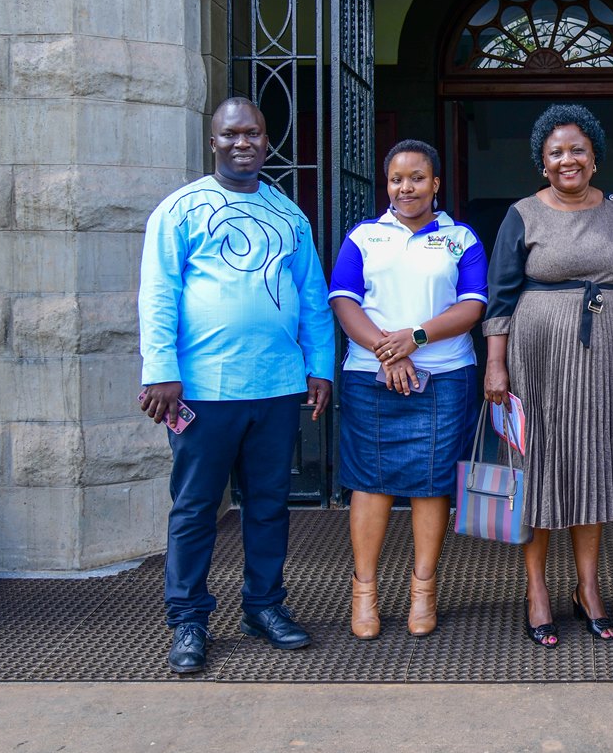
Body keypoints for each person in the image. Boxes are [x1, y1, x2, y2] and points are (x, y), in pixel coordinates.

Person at [138, 97, 335, 675]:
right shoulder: (179, 211)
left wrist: (319, 366)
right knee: (196, 508)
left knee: (269, 506)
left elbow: (314, 299)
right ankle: (189, 621)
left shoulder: (289, 215)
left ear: (266, 142)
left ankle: (264, 607)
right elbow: (158, 292)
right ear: (214, 142)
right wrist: (161, 370)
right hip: (201, 389)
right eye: (231, 135)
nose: (242, 143)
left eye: (252, 134)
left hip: (275, 387)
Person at [483, 104, 613, 648]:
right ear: (542, 161)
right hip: (536, 356)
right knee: (537, 466)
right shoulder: (523, 214)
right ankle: (536, 589)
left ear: (594, 156)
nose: (567, 160)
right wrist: (495, 362)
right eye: (556, 152)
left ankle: (587, 588)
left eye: (577, 150)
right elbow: (501, 295)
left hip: (604, 355)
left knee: (592, 463)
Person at [329, 140, 488, 639]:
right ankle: (365, 594)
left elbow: (473, 305)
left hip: (444, 375)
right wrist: (386, 351)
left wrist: (413, 339)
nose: (406, 188)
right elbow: (344, 300)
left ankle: (423, 592)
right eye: (397, 179)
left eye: (417, 178)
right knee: (369, 481)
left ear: (435, 183)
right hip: (369, 375)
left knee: (431, 483)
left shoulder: (461, 238)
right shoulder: (364, 237)